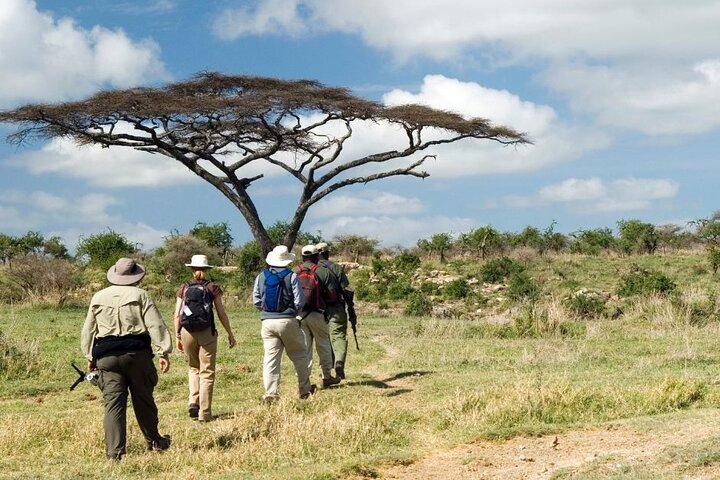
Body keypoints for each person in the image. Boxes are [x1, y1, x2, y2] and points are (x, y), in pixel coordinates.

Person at [81, 257, 173, 461]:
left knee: (113, 405)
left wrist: (89, 356)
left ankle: (114, 453)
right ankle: (155, 442)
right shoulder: (141, 295)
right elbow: (155, 324)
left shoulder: (99, 296)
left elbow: (88, 329)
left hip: (106, 356)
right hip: (137, 355)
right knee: (143, 400)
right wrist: (163, 352)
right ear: (135, 276)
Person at [174, 254, 236, 422]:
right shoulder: (212, 287)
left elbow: (177, 314)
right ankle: (205, 413)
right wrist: (230, 333)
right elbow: (221, 313)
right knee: (207, 372)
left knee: (193, 367)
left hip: (187, 331)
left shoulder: (184, 288)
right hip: (207, 331)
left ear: (192, 269)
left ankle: (193, 401)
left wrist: (178, 335)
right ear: (207, 270)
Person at [252, 245, 316, 402]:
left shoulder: (261, 276)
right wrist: (292, 313)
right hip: (287, 320)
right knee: (299, 354)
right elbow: (299, 300)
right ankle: (304, 389)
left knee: (270, 359)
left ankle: (271, 393)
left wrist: (266, 311)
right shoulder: (292, 276)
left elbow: (256, 300)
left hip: (267, 322)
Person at [297, 245, 341, 388]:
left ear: (302, 257)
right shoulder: (323, 271)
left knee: (305, 348)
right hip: (318, 313)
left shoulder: (295, 271)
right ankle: (326, 376)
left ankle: (304, 380)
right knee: (323, 345)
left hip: (300, 315)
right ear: (317, 257)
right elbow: (331, 295)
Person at [315, 242, 355, 380]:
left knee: (324, 339)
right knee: (338, 335)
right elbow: (346, 289)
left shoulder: (313, 269)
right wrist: (350, 307)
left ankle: (327, 370)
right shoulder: (336, 268)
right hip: (336, 307)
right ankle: (339, 362)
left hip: (318, 310)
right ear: (327, 253)